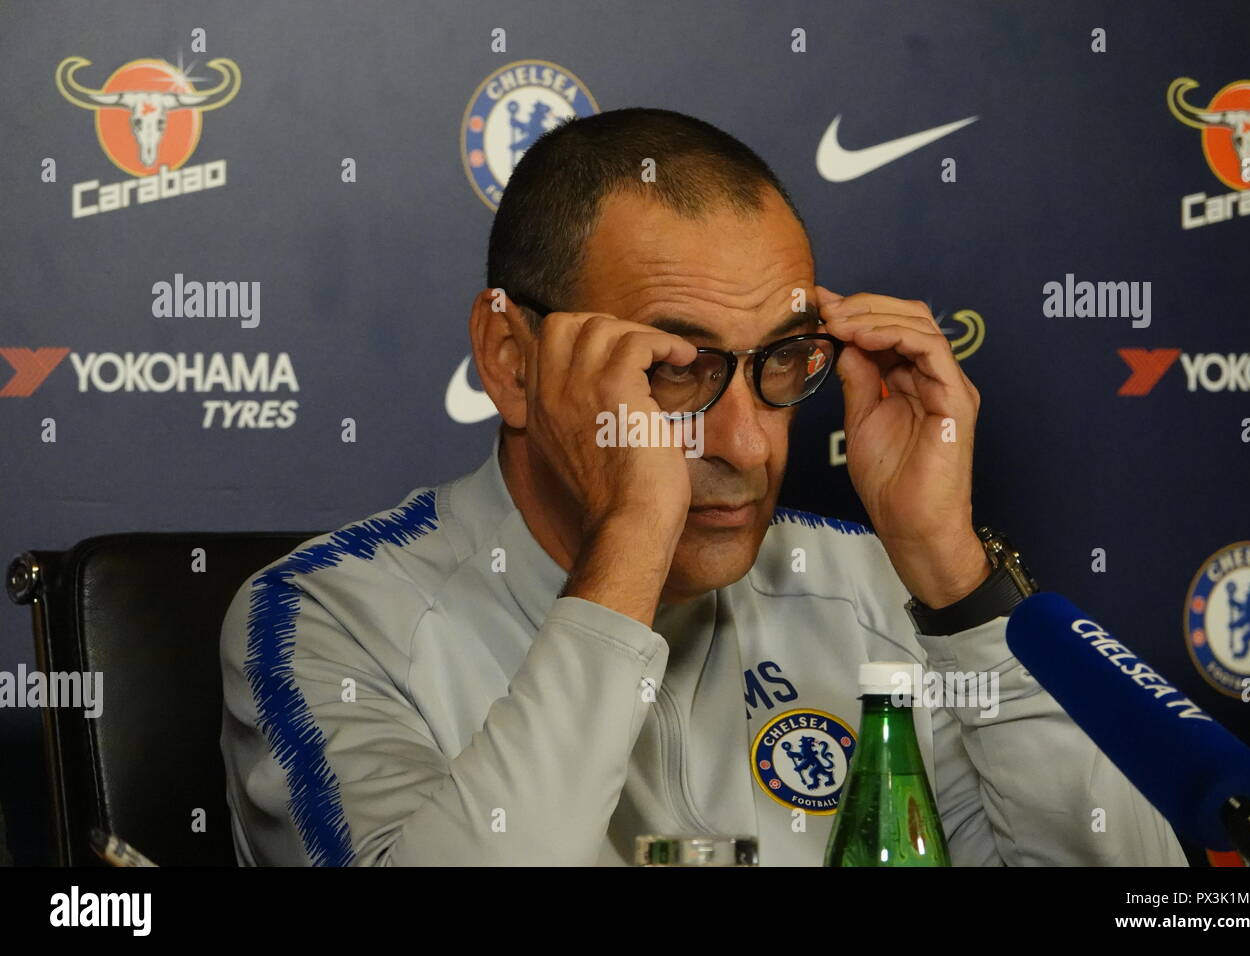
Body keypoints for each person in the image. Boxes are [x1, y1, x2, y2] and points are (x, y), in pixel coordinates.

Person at [219, 107, 1187, 866]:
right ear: (512, 360)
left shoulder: (880, 587)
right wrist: (635, 533)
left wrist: (951, 572)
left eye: (783, 359)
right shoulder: (333, 620)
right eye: (673, 367)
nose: (747, 443)